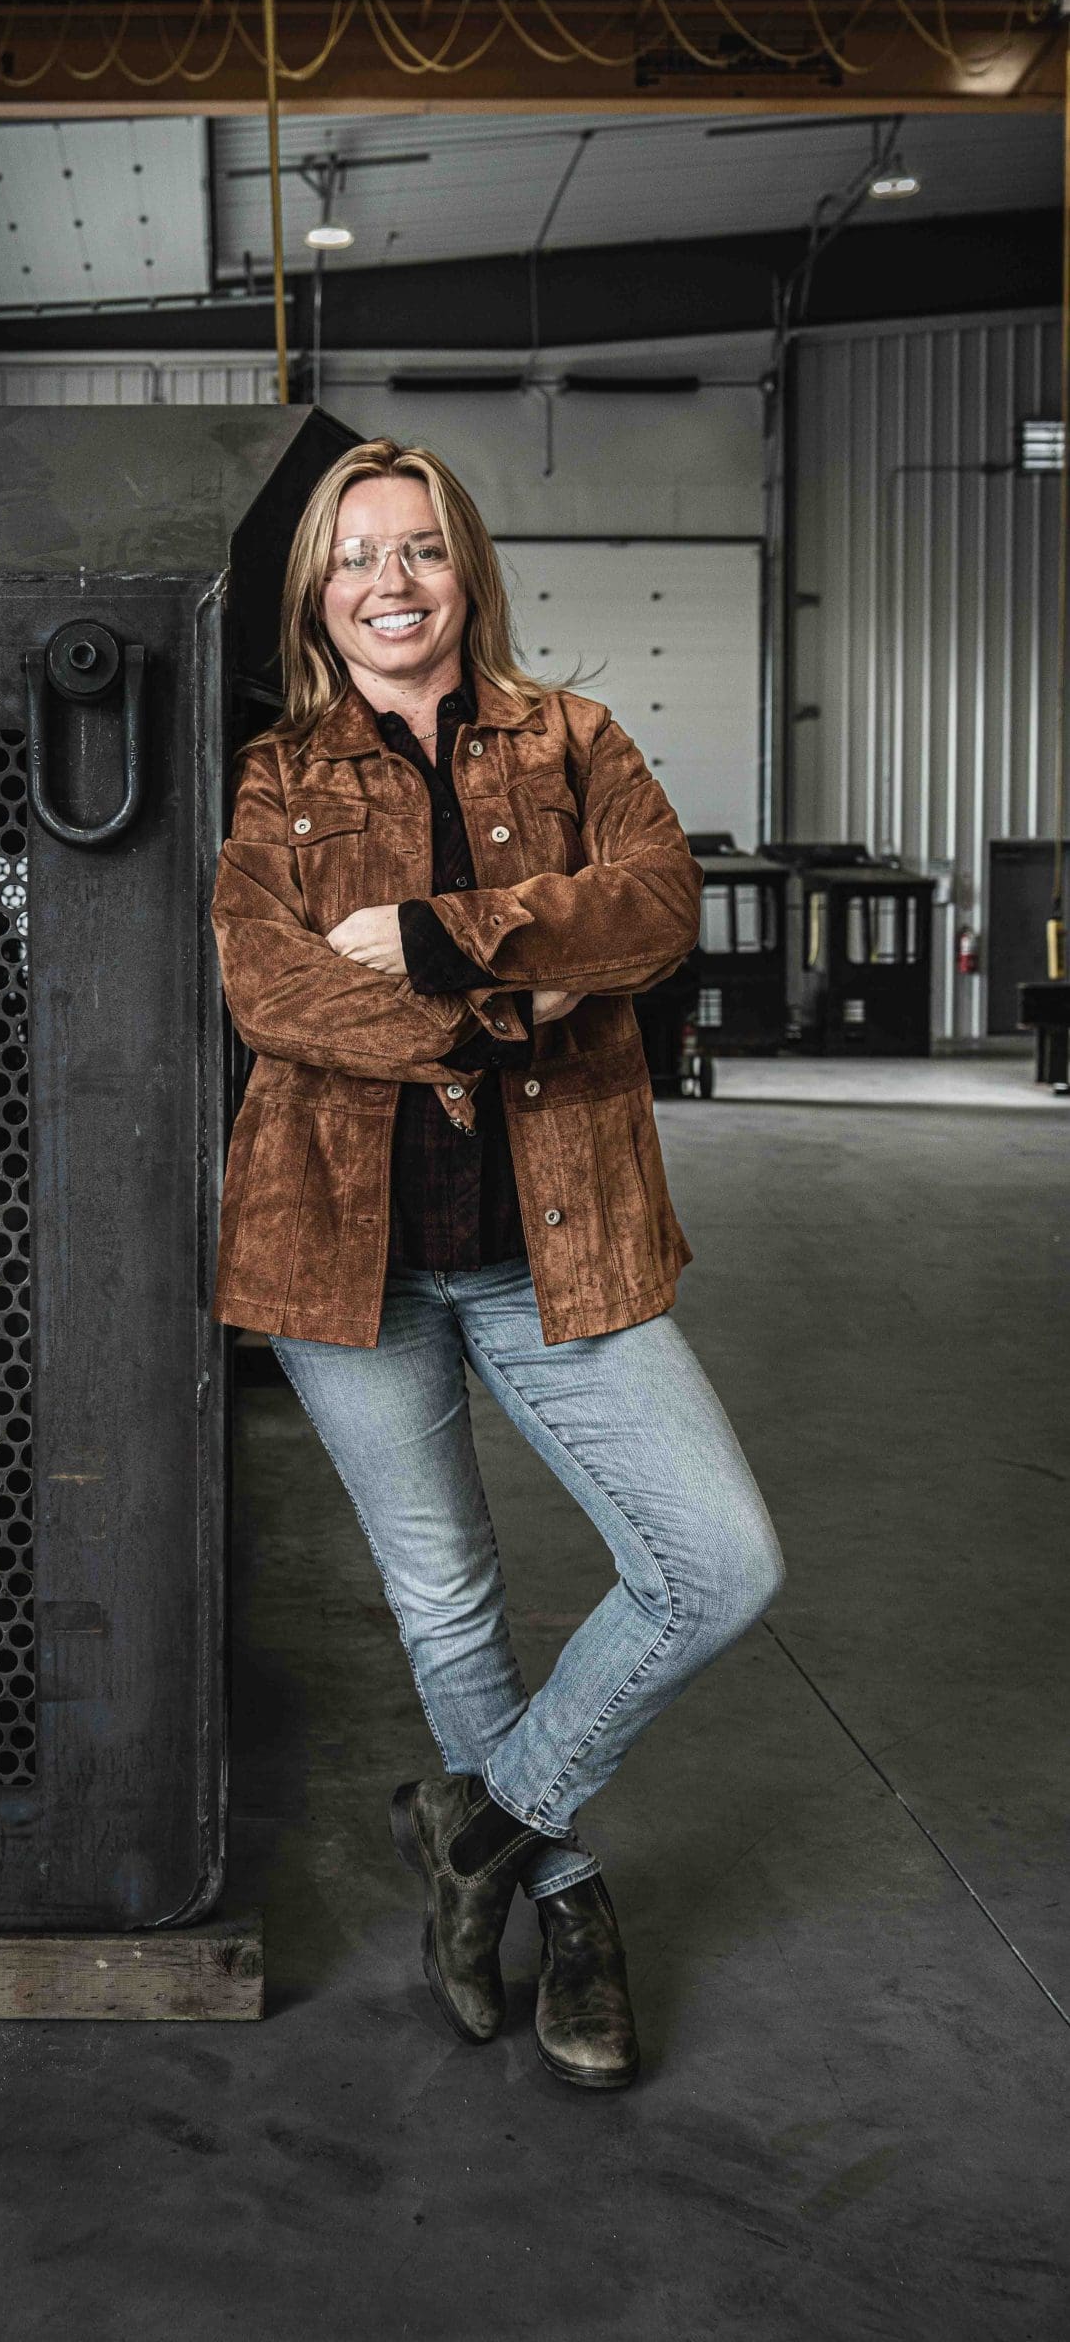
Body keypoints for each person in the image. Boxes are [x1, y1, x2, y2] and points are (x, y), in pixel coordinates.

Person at [210, 438, 784, 2088]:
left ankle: (482, 1837)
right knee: (448, 1594)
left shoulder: (576, 738)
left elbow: (656, 906)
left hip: (560, 1245)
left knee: (720, 1563)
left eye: (420, 550)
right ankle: (574, 1909)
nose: (390, 583)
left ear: (468, 573)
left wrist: (444, 932)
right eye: (355, 557)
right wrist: (507, 1008)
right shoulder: (277, 779)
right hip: (342, 1259)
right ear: (317, 596)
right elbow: (268, 987)